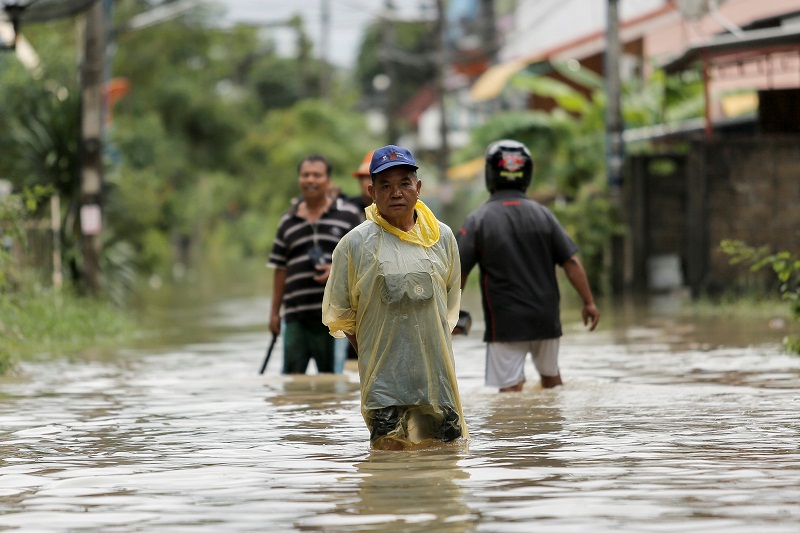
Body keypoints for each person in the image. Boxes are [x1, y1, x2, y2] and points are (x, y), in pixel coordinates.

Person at [322, 145, 468, 450]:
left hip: (436, 382)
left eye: (404, 183)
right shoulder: (355, 245)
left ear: (418, 188)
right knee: (387, 467)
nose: (396, 193)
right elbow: (342, 314)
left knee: (443, 463)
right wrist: (375, 363)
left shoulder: (442, 237)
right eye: (385, 186)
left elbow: (450, 301)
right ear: (371, 192)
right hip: (384, 387)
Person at [456, 139, 600, 392]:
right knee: (553, 383)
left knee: (509, 395)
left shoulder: (478, 220)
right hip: (546, 318)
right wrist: (588, 302)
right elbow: (572, 261)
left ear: (490, 174)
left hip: (506, 323)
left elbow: (459, 272)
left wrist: (451, 314)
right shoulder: (544, 215)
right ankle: (554, 430)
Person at [268, 155, 362, 375]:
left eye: (317, 175)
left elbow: (364, 261)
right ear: (299, 179)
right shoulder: (287, 221)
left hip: (334, 318)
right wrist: (274, 313)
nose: (310, 180)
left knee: (332, 380)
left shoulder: (348, 216)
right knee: (292, 380)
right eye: (305, 175)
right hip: (295, 316)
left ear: (328, 181)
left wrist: (336, 272)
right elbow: (280, 268)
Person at [348, 150, 375, 216]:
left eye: (373, 177)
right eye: (366, 177)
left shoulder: (391, 209)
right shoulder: (348, 206)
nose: (369, 182)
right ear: (360, 180)